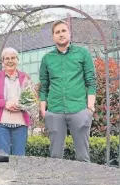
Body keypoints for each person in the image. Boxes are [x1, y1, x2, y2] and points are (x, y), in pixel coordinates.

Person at [39, 20, 96, 162]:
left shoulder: (83, 53)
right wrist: (43, 110)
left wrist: (90, 107)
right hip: (55, 111)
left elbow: (91, 81)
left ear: (69, 33)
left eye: (63, 31)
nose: (61, 34)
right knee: (55, 158)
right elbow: (44, 86)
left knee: (83, 157)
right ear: (53, 37)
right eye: (57, 32)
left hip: (79, 109)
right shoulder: (47, 59)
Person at [0, 47, 34, 156]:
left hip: (20, 124)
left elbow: (31, 99)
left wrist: (22, 104)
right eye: (6, 58)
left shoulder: (25, 77)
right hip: (1, 125)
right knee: (3, 158)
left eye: (13, 58)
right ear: (3, 61)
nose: (10, 61)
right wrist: (5, 103)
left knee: (19, 157)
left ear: (17, 60)